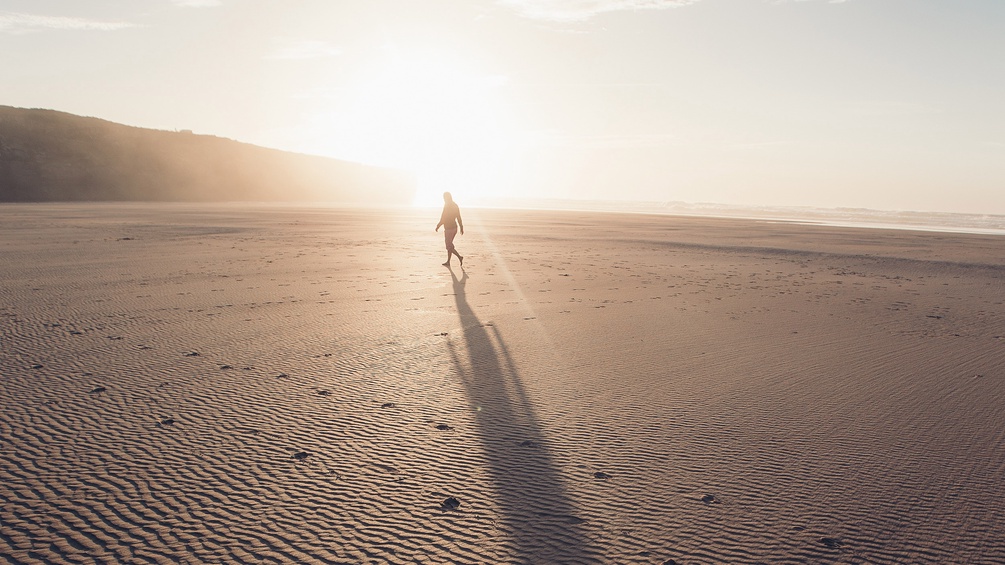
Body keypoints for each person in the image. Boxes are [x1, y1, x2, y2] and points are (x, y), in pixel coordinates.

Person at [434, 192, 464, 267]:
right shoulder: (455, 205)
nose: (443, 199)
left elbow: (443, 217)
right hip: (454, 228)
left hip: (449, 229)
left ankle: (459, 257)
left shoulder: (447, 205)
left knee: (449, 245)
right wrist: (461, 227)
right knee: (449, 245)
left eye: (444, 197)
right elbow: (459, 217)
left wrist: (438, 225)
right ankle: (448, 261)